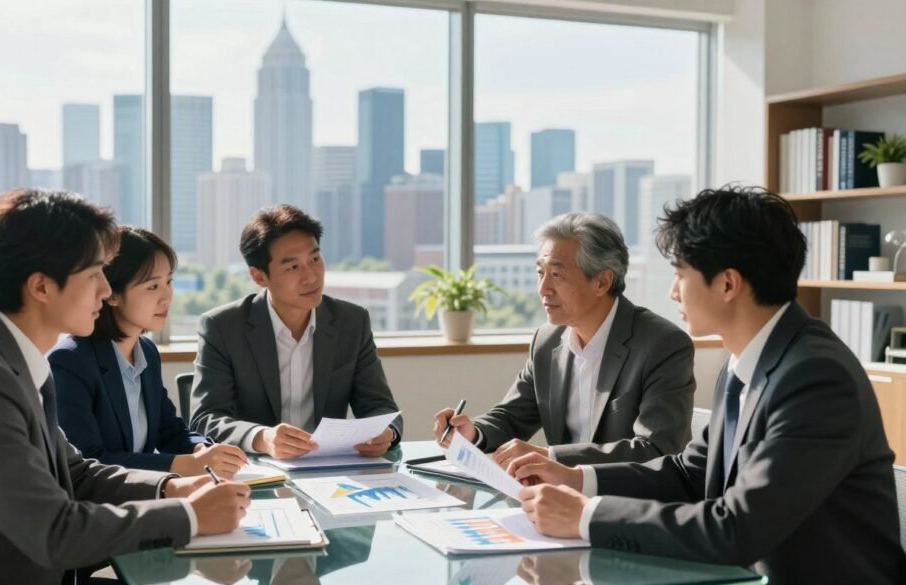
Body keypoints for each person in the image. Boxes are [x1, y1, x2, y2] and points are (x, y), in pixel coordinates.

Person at [508, 186, 906, 584]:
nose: (673, 290)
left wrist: (587, 516)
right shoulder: (746, 363)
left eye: (681, 274)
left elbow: (737, 529)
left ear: (728, 284)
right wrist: (574, 478)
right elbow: (689, 473)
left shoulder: (815, 378)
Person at [0, 189, 250, 585]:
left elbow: (75, 473)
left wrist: (172, 486)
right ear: (41, 287)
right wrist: (191, 516)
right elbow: (56, 533)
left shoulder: (13, 360)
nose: (106, 291)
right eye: (94, 274)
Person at [434, 212, 694, 468]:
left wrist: (552, 457)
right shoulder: (547, 340)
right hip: (559, 500)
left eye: (557, 275)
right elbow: (513, 416)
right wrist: (473, 432)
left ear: (602, 281)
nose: (543, 289)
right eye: (540, 273)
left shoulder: (663, 345)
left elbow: (656, 449)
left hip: (627, 502)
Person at [189, 204, 403, 459]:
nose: (311, 276)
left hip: (331, 472)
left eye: (314, 259)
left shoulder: (351, 322)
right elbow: (205, 418)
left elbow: (380, 406)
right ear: (259, 277)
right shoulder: (223, 327)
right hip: (257, 474)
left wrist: (386, 432)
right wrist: (262, 438)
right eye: (293, 267)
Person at [49, 226, 247, 476]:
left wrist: (203, 450)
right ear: (111, 294)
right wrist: (182, 465)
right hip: (99, 507)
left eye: (169, 282)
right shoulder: (70, 361)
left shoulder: (146, 352)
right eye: (152, 287)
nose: (167, 297)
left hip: (144, 497)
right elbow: (88, 462)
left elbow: (169, 431)